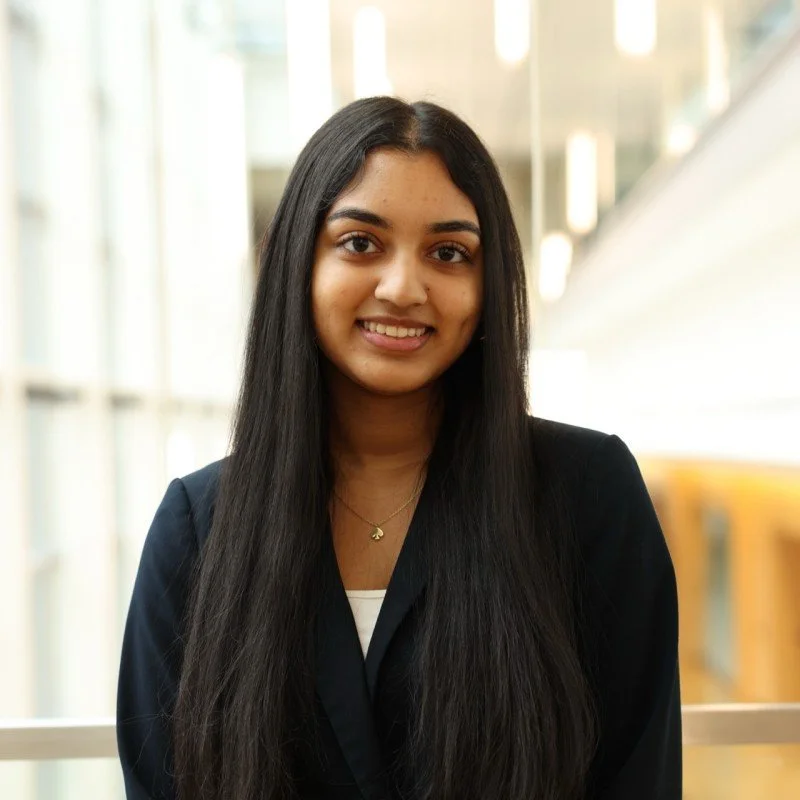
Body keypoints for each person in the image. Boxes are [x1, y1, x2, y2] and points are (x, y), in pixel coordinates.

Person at [116, 97, 681, 800]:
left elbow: (638, 778)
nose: (403, 287)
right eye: (360, 243)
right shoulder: (198, 529)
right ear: (300, 262)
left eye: (449, 253)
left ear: (486, 285)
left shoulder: (589, 496)